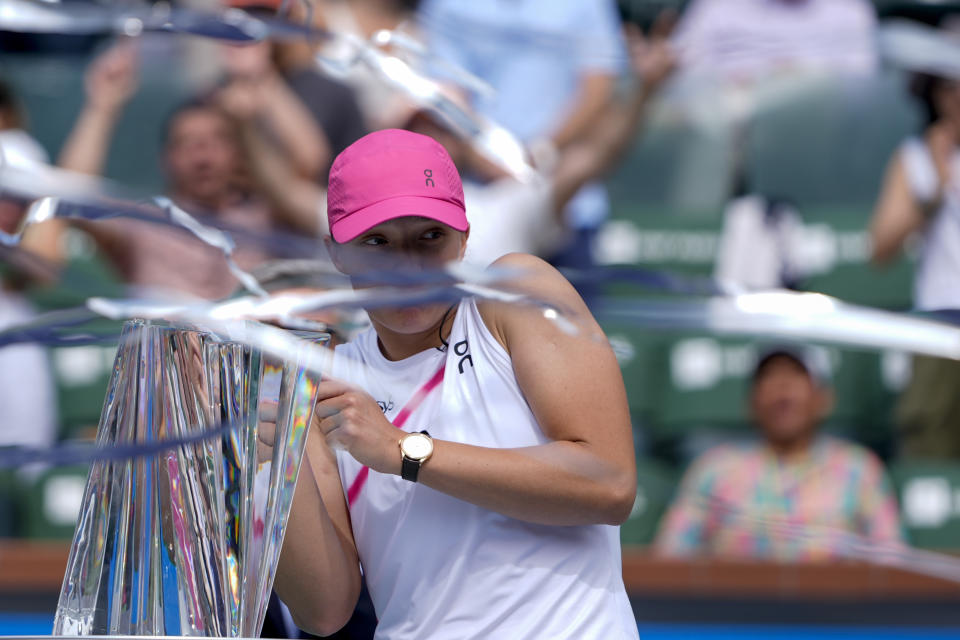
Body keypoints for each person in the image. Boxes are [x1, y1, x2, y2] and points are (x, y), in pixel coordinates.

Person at [268, 129, 639, 638]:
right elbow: (325, 610)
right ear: (337, 254)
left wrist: (403, 451)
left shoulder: (516, 292)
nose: (408, 265)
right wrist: (267, 452)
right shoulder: (322, 382)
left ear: (463, 237)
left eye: (430, 238)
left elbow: (609, 483)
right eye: (377, 242)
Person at [57, 43, 310, 300]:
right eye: (187, 143)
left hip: (248, 338)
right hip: (165, 338)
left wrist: (251, 116)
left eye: (217, 141)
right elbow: (74, 199)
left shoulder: (266, 221)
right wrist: (102, 107)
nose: (202, 157)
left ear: (239, 154)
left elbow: (309, 163)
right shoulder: (145, 224)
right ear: (165, 159)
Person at [418, 0, 627, 276]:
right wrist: (498, 161)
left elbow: (598, 92)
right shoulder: (446, 5)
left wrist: (539, 155)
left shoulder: (590, 6)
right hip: (479, 204)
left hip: (571, 205)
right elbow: (443, 94)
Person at [655, 347, 903, 561]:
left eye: (796, 375)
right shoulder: (714, 470)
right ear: (751, 401)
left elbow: (893, 564)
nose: (782, 389)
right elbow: (671, 557)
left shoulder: (859, 470)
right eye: (769, 377)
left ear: (823, 399)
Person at [870, 61, 960, 459]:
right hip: (939, 321)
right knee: (929, 448)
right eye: (951, 87)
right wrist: (938, 186)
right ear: (937, 95)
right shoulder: (915, 157)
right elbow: (880, 249)